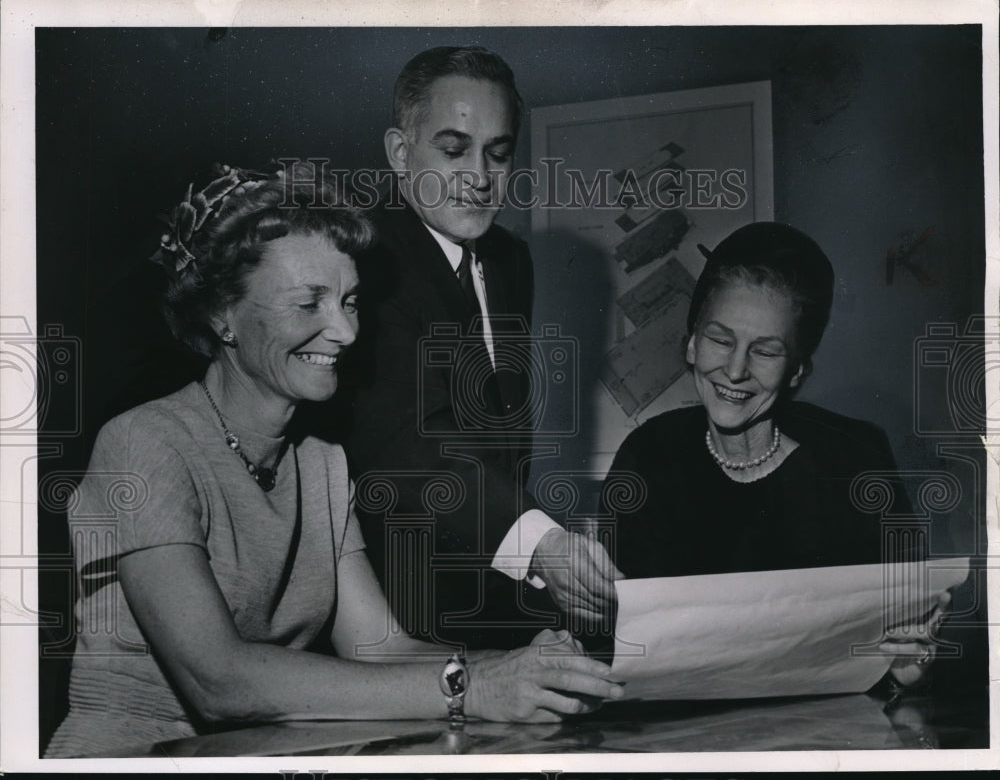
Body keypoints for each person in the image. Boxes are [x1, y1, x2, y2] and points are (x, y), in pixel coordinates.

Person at [44, 164, 624, 758]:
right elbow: (219, 681)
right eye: (308, 304)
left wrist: (525, 668)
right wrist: (473, 686)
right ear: (222, 314)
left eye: (348, 300)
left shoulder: (321, 461)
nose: (344, 330)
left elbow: (382, 649)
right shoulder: (144, 442)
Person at [337, 46, 620, 649]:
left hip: (493, 587)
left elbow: (499, 445)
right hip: (389, 609)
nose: (480, 177)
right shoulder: (364, 261)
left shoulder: (509, 259)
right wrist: (542, 544)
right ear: (398, 153)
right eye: (453, 149)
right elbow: (410, 445)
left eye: (498, 152)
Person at [604, 221, 946, 686]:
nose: (735, 370)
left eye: (765, 351)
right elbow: (614, 641)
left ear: (796, 371)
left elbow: (894, 652)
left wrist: (907, 661)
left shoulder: (856, 461)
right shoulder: (646, 458)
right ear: (690, 342)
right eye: (720, 340)